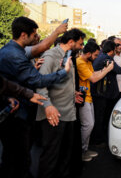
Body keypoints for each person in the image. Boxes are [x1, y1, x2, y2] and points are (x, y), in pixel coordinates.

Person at [0, 17, 72, 178]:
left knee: (13, 156)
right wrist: (64, 72)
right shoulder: (15, 55)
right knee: (19, 157)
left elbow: (41, 48)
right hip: (15, 114)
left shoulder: (13, 50)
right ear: (24, 35)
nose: (37, 37)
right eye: (34, 34)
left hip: (17, 108)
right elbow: (38, 80)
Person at [35, 28, 86, 178]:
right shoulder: (51, 56)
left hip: (68, 114)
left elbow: (60, 83)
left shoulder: (68, 55)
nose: (82, 47)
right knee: (51, 158)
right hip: (53, 115)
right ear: (71, 42)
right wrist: (48, 106)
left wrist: (72, 94)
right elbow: (40, 84)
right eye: (80, 44)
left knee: (65, 157)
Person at [77, 41, 115, 161]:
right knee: (88, 125)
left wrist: (104, 69)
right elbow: (94, 79)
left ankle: (85, 149)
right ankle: (81, 151)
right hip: (83, 98)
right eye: (95, 55)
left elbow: (93, 73)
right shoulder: (80, 63)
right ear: (88, 53)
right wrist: (108, 70)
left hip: (88, 97)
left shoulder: (88, 62)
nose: (97, 57)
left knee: (90, 124)